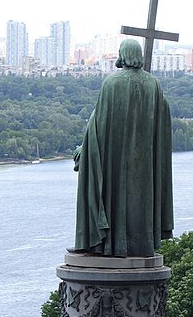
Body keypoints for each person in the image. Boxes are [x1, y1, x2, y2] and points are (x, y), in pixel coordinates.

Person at [73, 36, 174, 258]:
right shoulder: (153, 84)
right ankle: (140, 245)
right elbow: (162, 119)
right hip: (144, 162)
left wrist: (86, 148)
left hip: (115, 159)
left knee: (113, 197)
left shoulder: (112, 82)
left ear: (123, 55)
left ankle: (105, 244)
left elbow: (99, 122)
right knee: (139, 202)